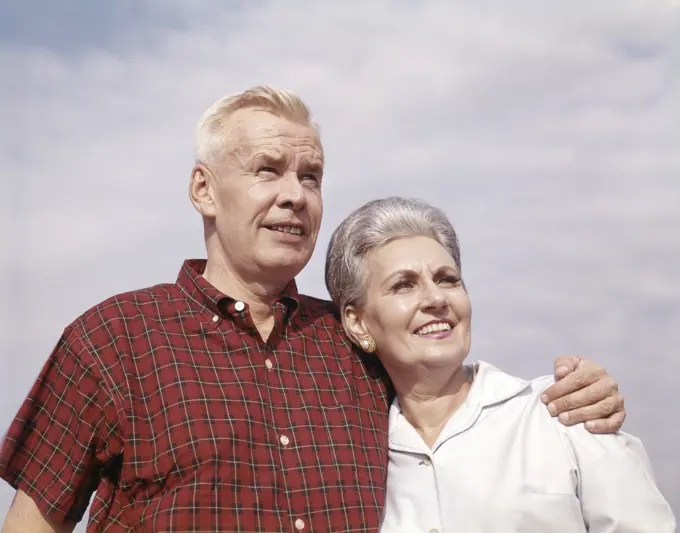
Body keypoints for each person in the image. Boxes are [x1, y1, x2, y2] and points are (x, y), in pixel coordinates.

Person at [1, 86, 627, 532]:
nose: (294, 196)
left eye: (311, 176)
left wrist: (580, 396)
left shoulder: (356, 342)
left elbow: (455, 401)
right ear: (203, 189)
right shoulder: (114, 339)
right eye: (267, 170)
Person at [325, 196, 675, 532]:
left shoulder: (564, 414)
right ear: (358, 323)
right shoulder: (357, 456)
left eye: (448, 279)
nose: (435, 299)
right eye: (404, 285)